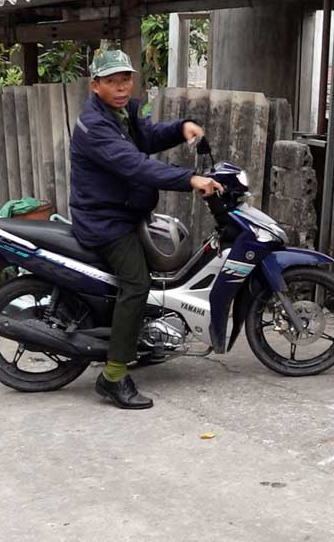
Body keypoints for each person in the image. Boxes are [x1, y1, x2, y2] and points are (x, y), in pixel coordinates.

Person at [69, 49, 222, 409]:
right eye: (111, 81)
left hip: (126, 212)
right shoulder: (95, 126)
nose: (121, 86)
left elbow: (148, 138)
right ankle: (114, 375)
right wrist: (190, 179)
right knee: (137, 284)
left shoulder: (125, 111)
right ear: (95, 85)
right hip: (105, 220)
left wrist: (182, 127)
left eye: (125, 79)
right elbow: (136, 166)